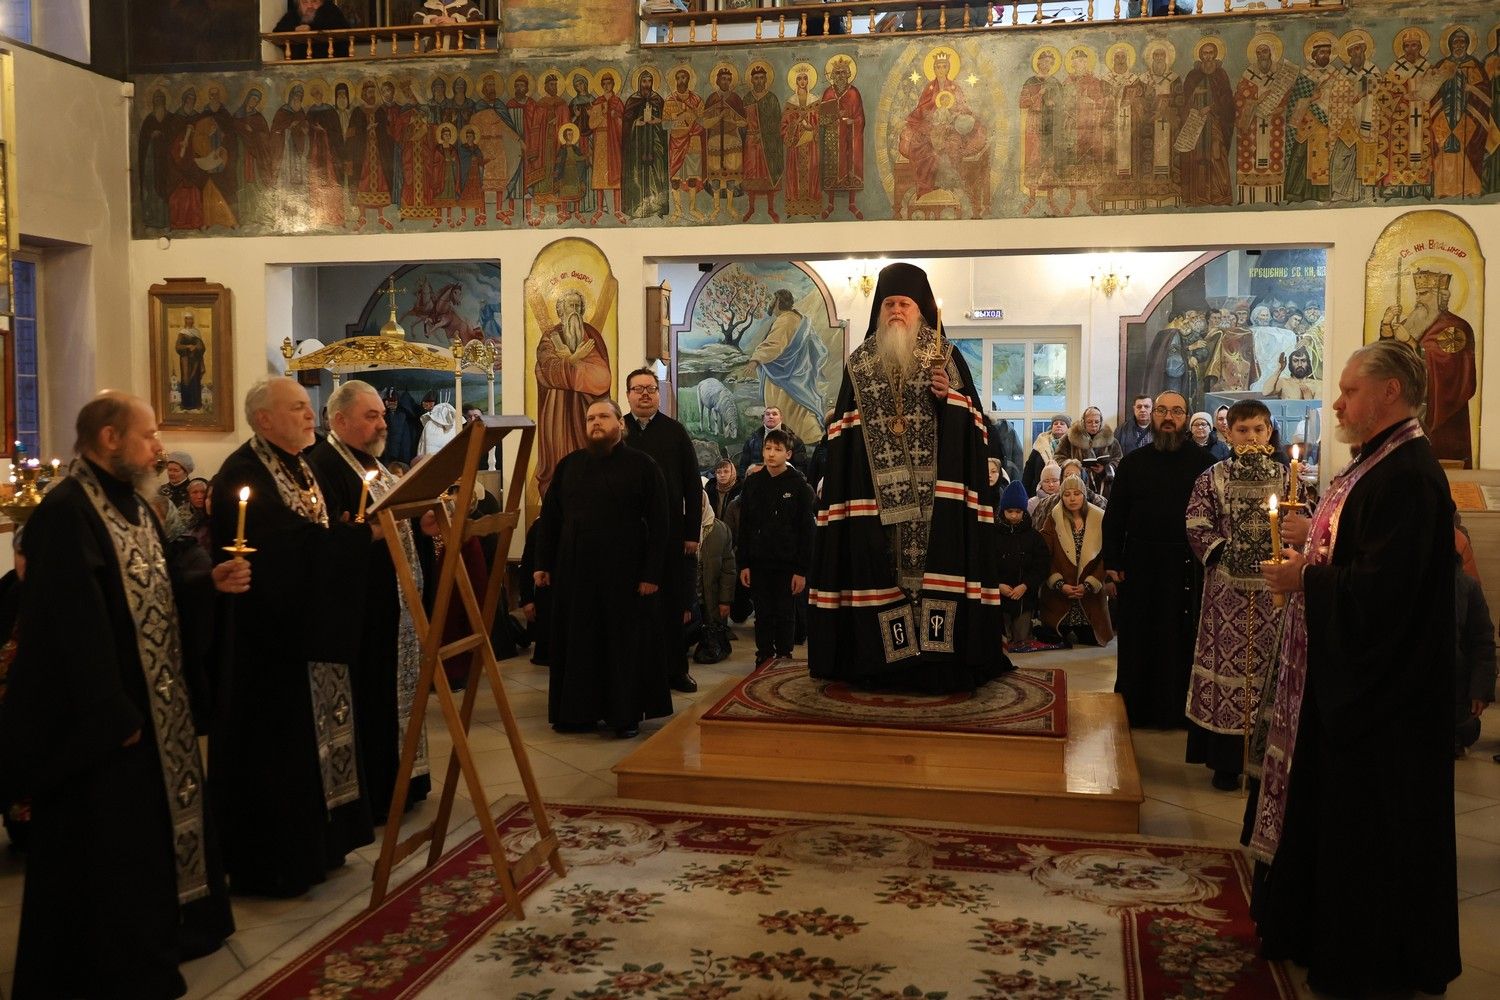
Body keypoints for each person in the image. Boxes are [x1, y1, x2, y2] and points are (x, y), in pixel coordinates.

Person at [0, 392, 248, 997]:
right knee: (100, 849)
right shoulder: (67, 512)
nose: (159, 448)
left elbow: (157, 589)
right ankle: (101, 972)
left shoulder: (133, 506)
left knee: (140, 844)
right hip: (102, 722)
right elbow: (67, 626)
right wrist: (110, 711)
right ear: (110, 439)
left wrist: (206, 583)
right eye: (149, 435)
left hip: (149, 709)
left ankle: (152, 947)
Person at [1252, 341, 1459, 997]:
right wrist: (1312, 547)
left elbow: (1385, 591)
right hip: (1351, 679)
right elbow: (1358, 553)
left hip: (1384, 699)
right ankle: (1314, 929)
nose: (1337, 404)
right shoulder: (1378, 460)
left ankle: (1367, 960)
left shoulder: (1409, 474)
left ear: (1389, 392)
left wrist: (1305, 580)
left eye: (1348, 391)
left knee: (1372, 831)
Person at [210, 377, 379, 898]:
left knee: (318, 739)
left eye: (309, 407)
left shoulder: (300, 464)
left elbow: (314, 535)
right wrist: (357, 537)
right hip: (269, 641)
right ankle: (279, 861)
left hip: (308, 629)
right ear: (264, 419)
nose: (310, 415)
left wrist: (342, 533)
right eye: (299, 408)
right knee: (279, 751)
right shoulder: (242, 473)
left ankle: (326, 843)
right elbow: (286, 547)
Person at [807, 262, 1010, 693]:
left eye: (905, 303)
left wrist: (948, 397)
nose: (897, 311)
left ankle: (938, 661)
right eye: (890, 304)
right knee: (881, 571)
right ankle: (883, 662)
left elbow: (978, 428)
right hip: (874, 501)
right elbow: (843, 433)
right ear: (879, 311)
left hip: (937, 502)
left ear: (922, 310)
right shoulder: (860, 363)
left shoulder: (946, 356)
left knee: (934, 573)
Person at [306, 380, 439, 824]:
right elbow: (329, 541)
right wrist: (367, 533)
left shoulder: (374, 464)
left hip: (393, 608)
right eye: (372, 416)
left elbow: (392, 522)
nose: (383, 423)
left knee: (396, 695)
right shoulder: (324, 467)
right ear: (339, 420)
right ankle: (379, 791)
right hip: (363, 610)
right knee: (373, 699)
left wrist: (420, 527)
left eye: (382, 415)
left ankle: (406, 780)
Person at [534, 399, 673, 739]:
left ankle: (623, 715)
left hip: (624, 575)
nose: (595, 423)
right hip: (575, 573)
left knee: (620, 646)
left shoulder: (643, 465)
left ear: (619, 424)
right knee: (578, 642)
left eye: (603, 417)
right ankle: (577, 713)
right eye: (590, 418)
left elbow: (660, 524)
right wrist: (542, 563)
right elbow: (550, 519)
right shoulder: (569, 465)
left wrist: (651, 574)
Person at [1183, 400, 1286, 791]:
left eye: (1259, 429)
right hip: (1226, 594)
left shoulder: (1286, 477)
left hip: (1275, 596)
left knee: (1268, 673)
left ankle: (1264, 761)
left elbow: (1300, 520)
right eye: (1243, 430)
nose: (1251, 437)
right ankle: (1226, 762)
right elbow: (1197, 523)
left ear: (1269, 431)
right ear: (1229, 433)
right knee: (1228, 673)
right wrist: (1228, 553)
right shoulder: (1213, 477)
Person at [1103, 390, 1215, 728]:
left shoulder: (1205, 464)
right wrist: (1112, 562)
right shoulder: (1133, 463)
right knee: (1139, 636)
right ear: (1153, 417)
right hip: (1140, 563)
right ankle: (1135, 709)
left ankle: (1178, 712)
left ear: (1186, 418)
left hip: (1187, 565)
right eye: (1162, 410)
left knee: (1180, 638)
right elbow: (1115, 515)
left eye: (1176, 412)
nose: (1169, 417)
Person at [624, 367, 702, 694]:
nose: (645, 394)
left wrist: (692, 533)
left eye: (651, 389)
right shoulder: (619, 431)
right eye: (638, 389)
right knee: (632, 607)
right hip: (628, 536)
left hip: (670, 532)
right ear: (627, 395)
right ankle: (634, 673)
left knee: (671, 605)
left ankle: (675, 670)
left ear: (659, 394)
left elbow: (692, 485)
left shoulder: (675, 432)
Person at [738, 428, 816, 664]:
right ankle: (763, 653)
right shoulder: (752, 483)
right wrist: (744, 563)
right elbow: (745, 526)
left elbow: (806, 531)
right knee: (762, 612)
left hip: (787, 562)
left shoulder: (799, 485)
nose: (771, 454)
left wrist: (801, 570)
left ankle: (784, 653)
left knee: (785, 611)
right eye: (768, 448)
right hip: (759, 560)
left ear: (788, 454)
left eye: (777, 449)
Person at [737, 289, 828, 447]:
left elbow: (774, 345)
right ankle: (809, 437)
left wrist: (755, 360)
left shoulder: (785, 320)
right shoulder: (797, 318)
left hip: (782, 375)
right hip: (797, 372)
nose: (770, 304)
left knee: (785, 406)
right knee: (799, 407)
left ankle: (790, 440)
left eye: (773, 300)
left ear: (778, 301)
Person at [1038, 475, 1113, 647]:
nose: (1072, 498)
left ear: (1084, 495)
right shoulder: (1053, 518)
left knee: (1091, 640)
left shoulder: (1100, 518)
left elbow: (1106, 556)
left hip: (1090, 596)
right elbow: (1045, 555)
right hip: (1060, 595)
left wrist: (1089, 584)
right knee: (1058, 639)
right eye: (1067, 494)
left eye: (1077, 493)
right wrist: (1059, 583)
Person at [993, 480, 1048, 646]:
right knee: (1001, 640)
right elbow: (984, 564)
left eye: (1018, 512)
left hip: (1024, 597)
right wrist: (997, 585)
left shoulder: (1034, 537)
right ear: (1003, 510)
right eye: (1010, 511)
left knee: (1021, 639)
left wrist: (1025, 585)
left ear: (1024, 511)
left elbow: (1041, 566)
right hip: (998, 596)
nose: (1014, 516)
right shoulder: (991, 535)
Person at [1454, 549, 1495, 755]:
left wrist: (1480, 690)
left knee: (1465, 728)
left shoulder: (1466, 586)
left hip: (1454, 685)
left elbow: (1482, 643)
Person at [693, 492, 737, 666]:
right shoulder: (677, 527)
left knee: (711, 634)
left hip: (711, 596)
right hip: (689, 597)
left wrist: (725, 601)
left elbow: (728, 570)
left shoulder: (720, 530)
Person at [1052, 405, 1122, 499]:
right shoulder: (1070, 438)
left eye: (1097, 422)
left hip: (1104, 488)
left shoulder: (1111, 440)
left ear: (1101, 422)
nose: (1093, 424)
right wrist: (1073, 467)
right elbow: (1058, 458)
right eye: (1089, 422)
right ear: (1083, 422)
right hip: (1075, 485)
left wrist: (1105, 469)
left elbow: (1119, 461)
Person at [738, 405, 808, 480]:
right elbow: (743, 465)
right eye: (767, 414)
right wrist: (746, 482)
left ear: (781, 418)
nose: (771, 416)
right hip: (756, 482)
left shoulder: (795, 441)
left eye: (774, 414)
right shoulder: (752, 440)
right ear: (763, 419)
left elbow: (800, 467)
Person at [273, 0, 351, 58]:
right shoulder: (293, 15)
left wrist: (311, 28)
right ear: (299, 4)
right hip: (298, 66)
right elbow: (277, 32)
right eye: (305, 2)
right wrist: (295, 29)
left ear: (322, 2)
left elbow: (343, 31)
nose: (309, 6)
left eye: (314, 1)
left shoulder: (332, 11)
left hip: (331, 63)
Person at [1022, 414, 1069, 495]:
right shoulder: (1040, 445)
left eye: (1062, 423)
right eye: (1055, 423)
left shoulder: (1073, 446)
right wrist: (1025, 493)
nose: (1058, 425)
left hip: (1066, 492)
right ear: (1051, 427)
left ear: (1068, 428)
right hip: (1039, 492)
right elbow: (1029, 470)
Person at [174, 312, 207, 411]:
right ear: (185, 320)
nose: (189, 321)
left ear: (193, 320)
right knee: (186, 381)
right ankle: (186, 404)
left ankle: (196, 404)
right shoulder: (182, 333)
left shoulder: (197, 332)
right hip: (185, 361)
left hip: (195, 361)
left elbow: (202, 347)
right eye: (187, 319)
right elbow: (178, 347)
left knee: (195, 381)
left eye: (191, 319)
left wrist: (196, 347)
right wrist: (188, 346)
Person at [380, 388, 422, 466]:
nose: (392, 403)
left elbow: (407, 440)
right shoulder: (383, 416)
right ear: (386, 402)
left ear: (398, 401)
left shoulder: (405, 416)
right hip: (387, 454)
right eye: (390, 401)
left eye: (394, 401)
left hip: (401, 455)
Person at [158, 449, 195, 519]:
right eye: (169, 470)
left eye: (176, 470)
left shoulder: (193, 490)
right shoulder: (160, 490)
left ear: (186, 472)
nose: (171, 473)